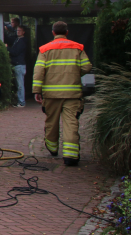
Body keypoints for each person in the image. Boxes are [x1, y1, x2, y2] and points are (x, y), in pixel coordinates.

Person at [33, 21, 92, 166]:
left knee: (51, 122)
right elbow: (87, 66)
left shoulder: (45, 50)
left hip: (51, 95)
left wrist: (37, 91)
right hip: (72, 94)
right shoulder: (77, 48)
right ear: (67, 32)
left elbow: (39, 71)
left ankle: (52, 148)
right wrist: (75, 73)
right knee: (71, 123)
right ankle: (71, 156)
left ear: (53, 32)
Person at [7, 25, 28, 107]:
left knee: (20, 85)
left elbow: (15, 52)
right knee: (19, 84)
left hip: (19, 65)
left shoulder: (22, 41)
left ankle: (21, 102)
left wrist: (7, 48)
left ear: (23, 32)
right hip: (18, 64)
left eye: (19, 30)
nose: (17, 32)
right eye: (17, 30)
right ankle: (20, 101)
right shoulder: (17, 40)